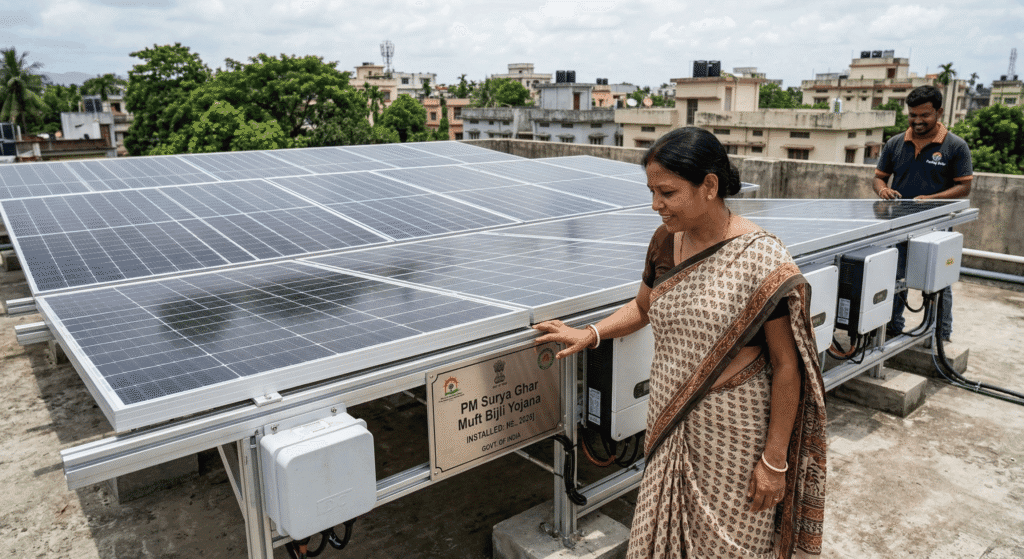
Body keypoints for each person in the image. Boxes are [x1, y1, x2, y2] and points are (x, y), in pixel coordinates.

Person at [533, 127, 827, 559]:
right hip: (669, 420)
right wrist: (591, 333)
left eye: (667, 192)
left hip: (736, 438)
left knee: (731, 547)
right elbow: (644, 307)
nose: (656, 205)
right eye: (651, 191)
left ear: (709, 186)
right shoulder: (665, 242)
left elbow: (788, 365)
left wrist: (774, 460)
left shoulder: (762, 258)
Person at [873, 85, 973, 342]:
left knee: (938, 280)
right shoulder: (896, 143)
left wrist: (931, 200)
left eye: (924, 115)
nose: (917, 121)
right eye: (912, 115)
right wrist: (883, 190)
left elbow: (964, 186)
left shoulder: (955, 146)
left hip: (936, 227)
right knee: (894, 276)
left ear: (939, 112)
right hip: (898, 223)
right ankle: (892, 327)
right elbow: (878, 178)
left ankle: (940, 333)